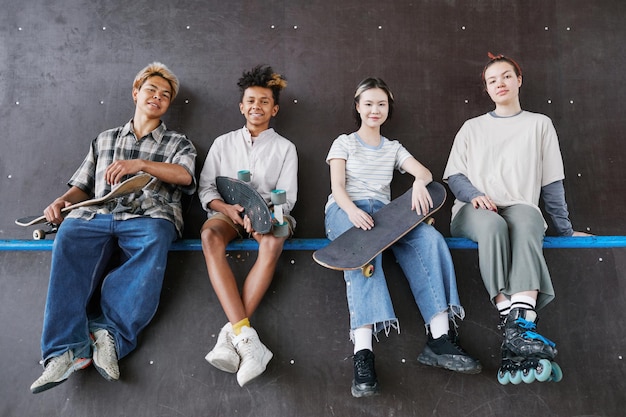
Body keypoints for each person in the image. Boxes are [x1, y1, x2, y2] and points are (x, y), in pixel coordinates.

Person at [29, 62, 197, 394]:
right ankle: (63, 352)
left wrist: (142, 165)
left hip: (149, 215)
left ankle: (109, 335)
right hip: (97, 214)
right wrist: (62, 201)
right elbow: (82, 186)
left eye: (165, 95)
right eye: (151, 90)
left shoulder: (179, 143)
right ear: (136, 92)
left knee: (155, 240)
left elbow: (186, 176)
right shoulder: (105, 139)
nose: (157, 97)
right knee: (69, 236)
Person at [324, 77, 481, 398]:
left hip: (385, 216)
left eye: (381, 104)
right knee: (365, 256)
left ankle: (439, 339)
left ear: (388, 109)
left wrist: (420, 183)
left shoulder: (393, 148)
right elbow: (337, 187)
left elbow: (423, 173)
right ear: (357, 107)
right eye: (368, 103)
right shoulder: (344, 142)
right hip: (346, 211)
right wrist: (352, 211)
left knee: (431, 239)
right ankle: (363, 355)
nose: (374, 110)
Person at [443, 53, 591, 383]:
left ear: (519, 80)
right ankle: (508, 315)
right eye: (493, 80)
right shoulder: (472, 128)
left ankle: (520, 325)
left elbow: (551, 184)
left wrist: (565, 231)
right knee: (494, 225)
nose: (500, 83)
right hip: (474, 210)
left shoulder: (539, 124)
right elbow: (455, 176)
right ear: (487, 87)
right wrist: (473, 196)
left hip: (519, 205)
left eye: (506, 77)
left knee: (528, 217)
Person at [198, 65, 297, 387]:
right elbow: (207, 189)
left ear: (275, 109)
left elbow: (289, 199)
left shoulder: (285, 148)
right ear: (242, 106)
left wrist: (263, 215)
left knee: (272, 241)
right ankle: (246, 336)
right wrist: (226, 208)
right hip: (228, 213)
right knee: (209, 235)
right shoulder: (222, 143)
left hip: (270, 213)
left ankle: (232, 336)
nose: (257, 106)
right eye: (251, 100)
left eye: (265, 101)